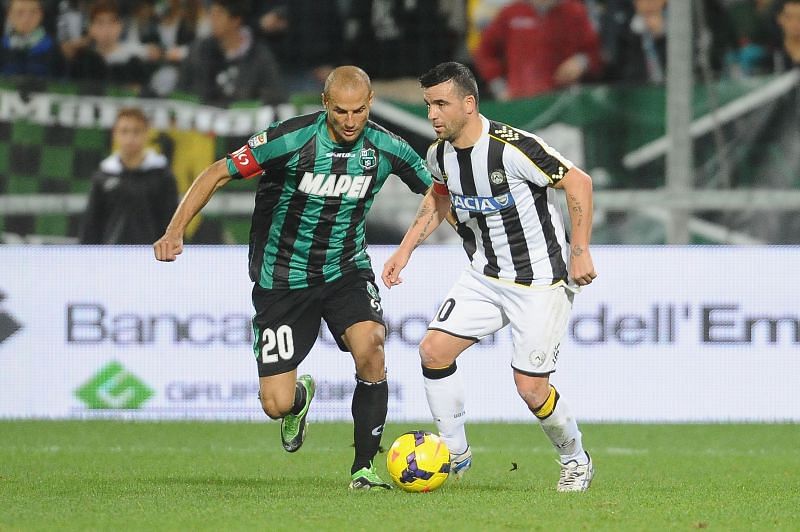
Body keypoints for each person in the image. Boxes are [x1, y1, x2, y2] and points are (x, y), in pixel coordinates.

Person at [153, 65, 434, 490]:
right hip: (282, 276)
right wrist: (175, 230)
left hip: (346, 270)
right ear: (325, 105)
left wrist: (413, 245)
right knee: (275, 403)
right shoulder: (291, 138)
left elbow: (438, 191)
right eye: (341, 111)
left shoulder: (387, 148)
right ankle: (299, 400)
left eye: (359, 110)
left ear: (370, 103)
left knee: (372, 347)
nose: (351, 120)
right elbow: (217, 172)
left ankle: (362, 468)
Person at [382, 62, 597, 492]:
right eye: (428, 105)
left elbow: (578, 182)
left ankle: (575, 460)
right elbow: (439, 197)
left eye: (441, 104)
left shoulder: (511, 148)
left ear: (469, 103)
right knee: (433, 351)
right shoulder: (439, 154)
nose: (433, 115)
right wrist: (404, 251)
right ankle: (454, 453)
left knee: (531, 389)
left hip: (540, 281)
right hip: (485, 273)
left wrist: (580, 251)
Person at [79, 107, 178, 244]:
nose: (130, 138)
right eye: (124, 131)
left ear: (146, 133)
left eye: (136, 131)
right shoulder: (103, 176)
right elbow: (91, 226)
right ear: (115, 134)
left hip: (154, 259)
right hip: (110, 258)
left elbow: (173, 222)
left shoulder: (162, 175)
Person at [473, 0, 603, 100]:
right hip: (520, 100)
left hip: (562, 101)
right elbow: (484, 52)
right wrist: (499, 87)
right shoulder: (512, 13)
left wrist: (580, 62)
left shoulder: (574, 12)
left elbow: (596, 51)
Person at [177, 0, 285, 105]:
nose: (212, 20)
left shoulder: (260, 57)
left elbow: (274, 98)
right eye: (211, 14)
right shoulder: (199, 51)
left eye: (219, 15)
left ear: (236, 20)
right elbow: (182, 92)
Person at [0, 0, 64, 77]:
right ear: (9, 15)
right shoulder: (3, 45)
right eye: (20, 13)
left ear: (41, 14)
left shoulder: (52, 47)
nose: (26, 19)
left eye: (33, 12)